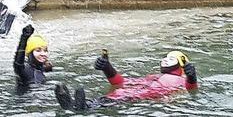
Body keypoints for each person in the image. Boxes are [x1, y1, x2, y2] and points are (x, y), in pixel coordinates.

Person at [55, 50, 198, 111]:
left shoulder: (181, 79)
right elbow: (121, 82)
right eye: (165, 57)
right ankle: (77, 104)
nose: (166, 60)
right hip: (137, 90)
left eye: (171, 58)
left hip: (147, 95)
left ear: (181, 64)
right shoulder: (152, 77)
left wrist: (191, 77)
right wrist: (107, 68)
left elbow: (191, 89)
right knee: (120, 92)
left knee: (121, 96)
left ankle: (84, 107)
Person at [14, 24, 52, 90]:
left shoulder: (44, 68)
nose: (43, 54)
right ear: (30, 53)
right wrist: (24, 38)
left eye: (45, 51)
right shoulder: (25, 70)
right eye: (38, 51)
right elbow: (18, 63)